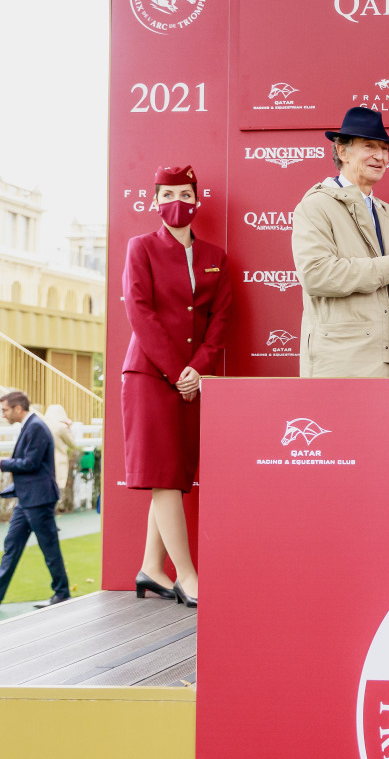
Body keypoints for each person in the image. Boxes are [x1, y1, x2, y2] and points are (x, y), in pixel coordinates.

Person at [122, 165, 232, 608]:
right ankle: (186, 575)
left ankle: (151, 567)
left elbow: (220, 319)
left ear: (197, 200)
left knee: (172, 475)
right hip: (151, 377)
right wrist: (179, 372)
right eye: (167, 194)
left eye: (185, 193)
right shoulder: (141, 247)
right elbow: (140, 313)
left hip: (191, 379)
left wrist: (198, 369)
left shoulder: (215, 255)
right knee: (164, 479)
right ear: (153, 201)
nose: (177, 202)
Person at [292, 107, 389, 377]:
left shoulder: (386, 213)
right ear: (342, 151)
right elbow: (316, 275)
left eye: (385, 149)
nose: (380, 156)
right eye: (369, 146)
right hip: (343, 367)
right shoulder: (315, 206)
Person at [0, 391, 71, 608]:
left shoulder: (36, 427)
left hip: (39, 500)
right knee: (11, 545)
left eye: (5, 410)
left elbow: (30, 463)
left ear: (18, 408)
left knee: (49, 548)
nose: (3, 415)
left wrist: (2, 462)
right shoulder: (31, 426)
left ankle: (62, 593)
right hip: (28, 498)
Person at [43, 404, 78, 494]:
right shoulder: (61, 427)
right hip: (58, 461)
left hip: (44, 461)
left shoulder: (42, 424)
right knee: (56, 489)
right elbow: (72, 444)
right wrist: (69, 428)